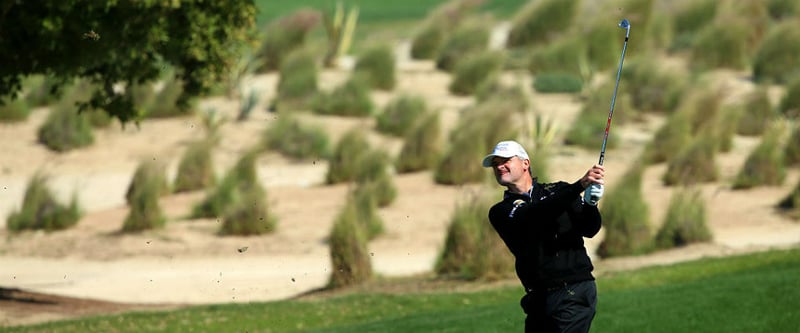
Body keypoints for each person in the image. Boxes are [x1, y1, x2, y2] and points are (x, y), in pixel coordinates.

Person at [482, 140, 605, 333]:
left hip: (574, 290)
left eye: (505, 160)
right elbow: (534, 215)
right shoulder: (501, 211)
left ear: (525, 163)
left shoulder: (559, 190)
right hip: (538, 299)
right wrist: (579, 186)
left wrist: (591, 204)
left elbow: (589, 229)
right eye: (495, 163)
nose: (499, 166)